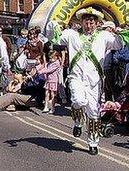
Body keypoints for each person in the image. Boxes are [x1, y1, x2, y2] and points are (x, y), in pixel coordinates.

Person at [46, 7, 124, 155]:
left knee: (94, 112)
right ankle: (77, 122)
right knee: (78, 101)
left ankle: (93, 142)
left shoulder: (104, 36)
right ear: (81, 22)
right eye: (86, 22)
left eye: (92, 22)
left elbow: (119, 44)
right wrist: (53, 25)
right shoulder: (71, 35)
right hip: (76, 77)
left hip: (94, 81)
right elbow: (54, 37)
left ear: (97, 23)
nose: (89, 25)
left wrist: (119, 32)